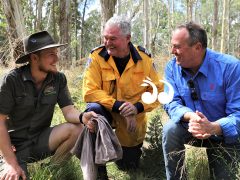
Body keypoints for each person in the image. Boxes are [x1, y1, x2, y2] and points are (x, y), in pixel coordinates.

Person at [0, 31, 96, 180]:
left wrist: (83, 117)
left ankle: (51, 172)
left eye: (56, 53)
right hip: (12, 146)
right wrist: (10, 162)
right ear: (34, 58)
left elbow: (69, 110)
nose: (56, 58)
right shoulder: (11, 81)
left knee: (77, 128)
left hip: (40, 140)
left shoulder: (58, 79)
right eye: (51, 54)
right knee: (11, 176)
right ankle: (15, 165)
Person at [82, 15, 163, 179]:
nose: (107, 42)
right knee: (93, 114)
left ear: (128, 38)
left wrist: (136, 108)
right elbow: (90, 91)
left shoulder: (144, 59)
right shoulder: (97, 57)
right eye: (105, 37)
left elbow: (158, 92)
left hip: (131, 123)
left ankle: (124, 153)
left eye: (113, 38)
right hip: (107, 112)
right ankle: (98, 172)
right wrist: (119, 107)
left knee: (128, 165)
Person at [162, 21, 240, 179]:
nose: (172, 51)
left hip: (224, 136)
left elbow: (238, 114)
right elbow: (170, 102)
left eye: (177, 46)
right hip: (189, 128)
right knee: (170, 130)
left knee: (225, 176)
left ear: (197, 47)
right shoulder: (172, 67)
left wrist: (212, 127)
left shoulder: (231, 67)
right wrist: (191, 116)